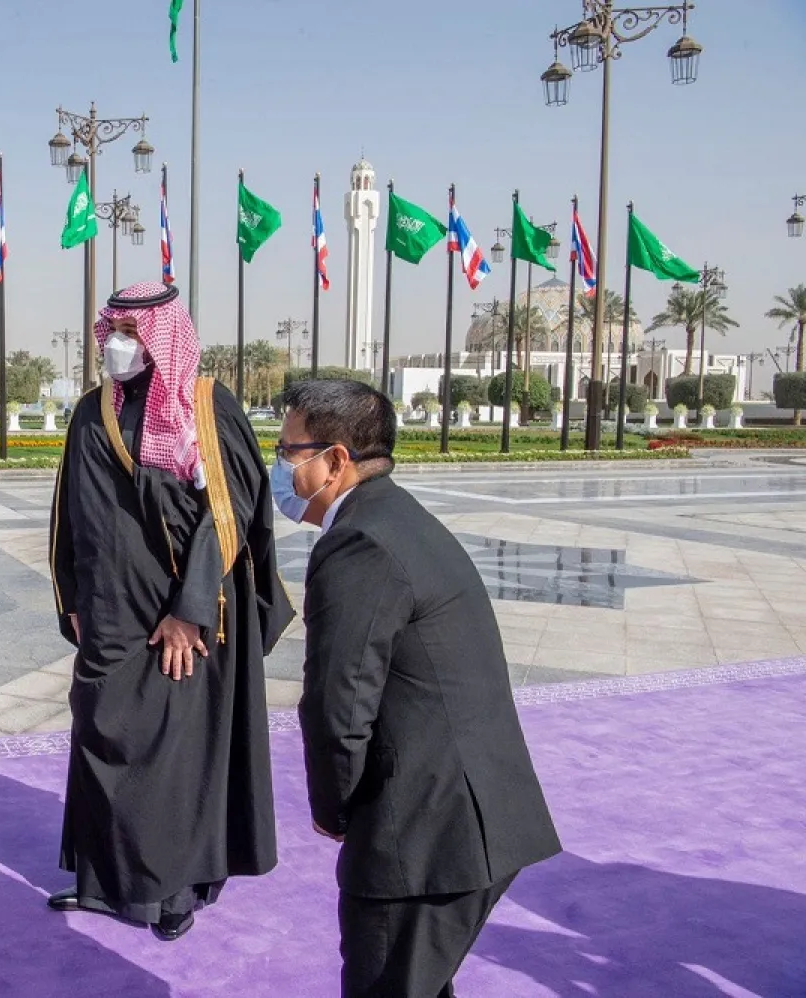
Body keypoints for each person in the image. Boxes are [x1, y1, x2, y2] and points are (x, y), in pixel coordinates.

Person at [276, 378, 561, 998]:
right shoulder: (394, 516)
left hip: (427, 833)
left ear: (336, 460)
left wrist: (334, 806)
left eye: (289, 451)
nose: (280, 466)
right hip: (467, 814)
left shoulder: (359, 543)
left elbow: (338, 702)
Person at [47, 281, 295, 942]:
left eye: (132, 333)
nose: (118, 345)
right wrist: (71, 598)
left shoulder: (206, 408)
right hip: (107, 617)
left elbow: (229, 515)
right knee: (101, 740)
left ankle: (175, 889)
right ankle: (103, 882)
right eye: (113, 331)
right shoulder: (90, 411)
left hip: (180, 619)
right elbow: (70, 513)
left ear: (162, 336)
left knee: (173, 755)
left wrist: (189, 611)